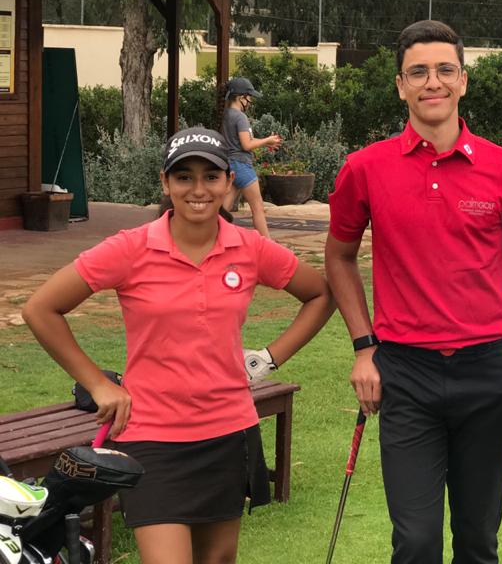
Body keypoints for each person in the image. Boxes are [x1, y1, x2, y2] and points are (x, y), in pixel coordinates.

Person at [21, 127, 334, 564]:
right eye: (184, 177)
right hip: (151, 435)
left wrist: (268, 358)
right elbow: (40, 309)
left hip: (228, 431)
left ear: (229, 183)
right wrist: (98, 384)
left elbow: (320, 295)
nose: (198, 189)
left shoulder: (250, 248)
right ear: (166, 184)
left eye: (211, 176)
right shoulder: (130, 248)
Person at [324, 19, 502, 564]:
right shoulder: (365, 168)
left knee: (478, 541)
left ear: (463, 81)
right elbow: (338, 256)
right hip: (405, 374)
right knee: (416, 542)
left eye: (445, 69)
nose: (433, 82)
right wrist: (364, 347)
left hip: (486, 369)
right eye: (418, 72)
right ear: (400, 85)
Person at [221, 76, 282, 237]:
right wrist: (267, 140)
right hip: (242, 166)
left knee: (223, 210)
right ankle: (267, 245)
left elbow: (242, 141)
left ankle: (211, 238)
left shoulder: (226, 114)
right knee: (258, 208)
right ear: (241, 97)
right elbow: (246, 145)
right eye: (249, 97)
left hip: (230, 165)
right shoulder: (240, 117)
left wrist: (265, 142)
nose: (250, 101)